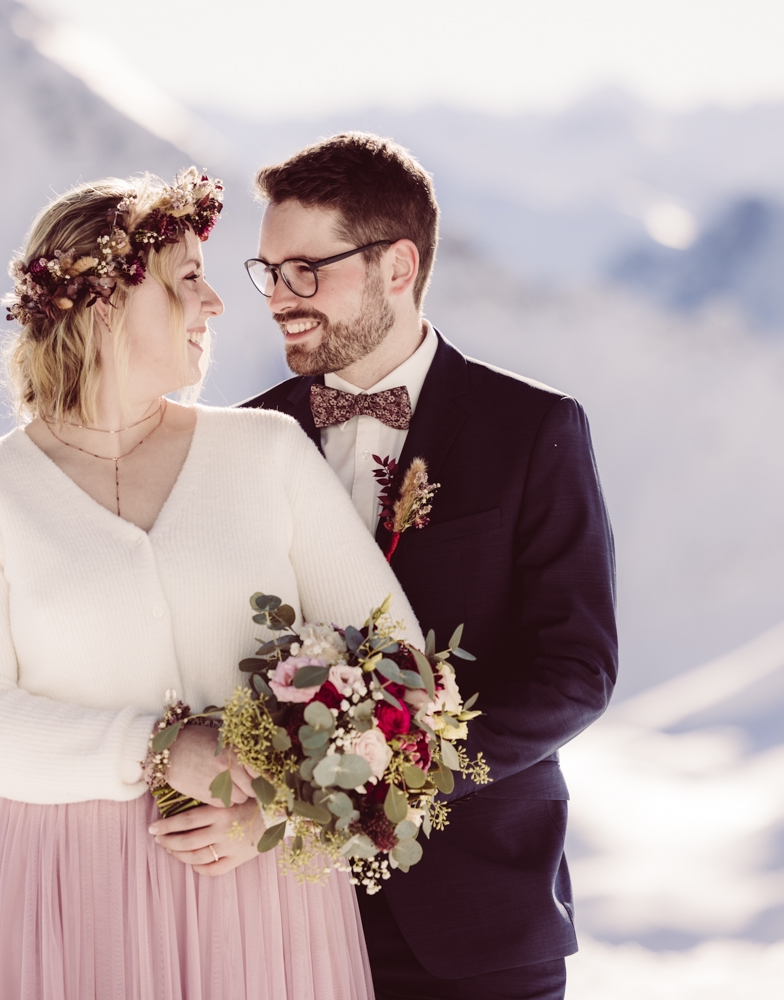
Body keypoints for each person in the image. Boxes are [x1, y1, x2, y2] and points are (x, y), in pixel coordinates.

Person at [0, 168, 420, 999]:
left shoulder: (267, 452)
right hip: (62, 898)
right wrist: (159, 749)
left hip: (257, 896)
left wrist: (278, 813)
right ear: (106, 300)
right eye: (188, 280)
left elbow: (396, 668)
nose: (216, 304)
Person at [241, 134, 618, 1000]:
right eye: (268, 272)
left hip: (481, 921)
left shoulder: (533, 429)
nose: (280, 299)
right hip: (283, 922)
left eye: (307, 270)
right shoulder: (245, 438)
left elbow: (578, 669)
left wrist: (406, 763)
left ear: (398, 265)